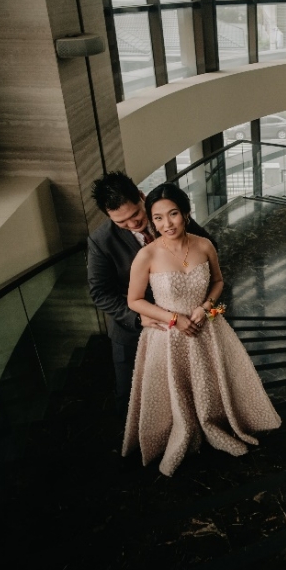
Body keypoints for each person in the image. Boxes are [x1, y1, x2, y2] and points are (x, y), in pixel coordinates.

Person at [122, 183, 281, 476]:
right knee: (177, 390)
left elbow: (219, 282)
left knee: (212, 383)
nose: (166, 224)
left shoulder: (204, 245)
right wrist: (173, 319)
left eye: (173, 214)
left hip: (207, 328)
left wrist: (206, 307)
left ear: (186, 212)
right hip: (169, 337)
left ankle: (215, 424)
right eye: (158, 218)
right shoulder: (147, 255)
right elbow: (134, 300)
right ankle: (182, 431)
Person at [87, 172, 214, 418]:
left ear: (142, 197)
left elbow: (208, 248)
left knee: (189, 387)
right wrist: (138, 318)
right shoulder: (100, 241)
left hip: (186, 322)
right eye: (121, 222)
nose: (133, 224)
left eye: (135, 214)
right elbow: (100, 293)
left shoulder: (167, 216)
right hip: (134, 329)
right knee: (130, 396)